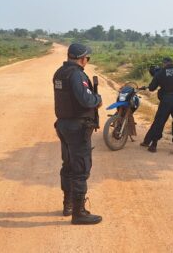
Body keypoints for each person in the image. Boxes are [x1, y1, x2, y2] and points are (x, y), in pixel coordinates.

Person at [53, 43, 102, 225]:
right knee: (80, 169)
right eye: (87, 59)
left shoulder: (60, 73)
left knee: (68, 165)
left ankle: (69, 205)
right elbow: (86, 99)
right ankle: (79, 213)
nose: (87, 62)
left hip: (63, 124)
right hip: (77, 127)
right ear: (82, 58)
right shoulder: (76, 75)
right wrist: (98, 99)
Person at [140, 57, 173, 155]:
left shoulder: (161, 72)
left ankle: (153, 145)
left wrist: (156, 76)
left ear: (164, 64)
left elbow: (151, 88)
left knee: (159, 122)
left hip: (167, 100)